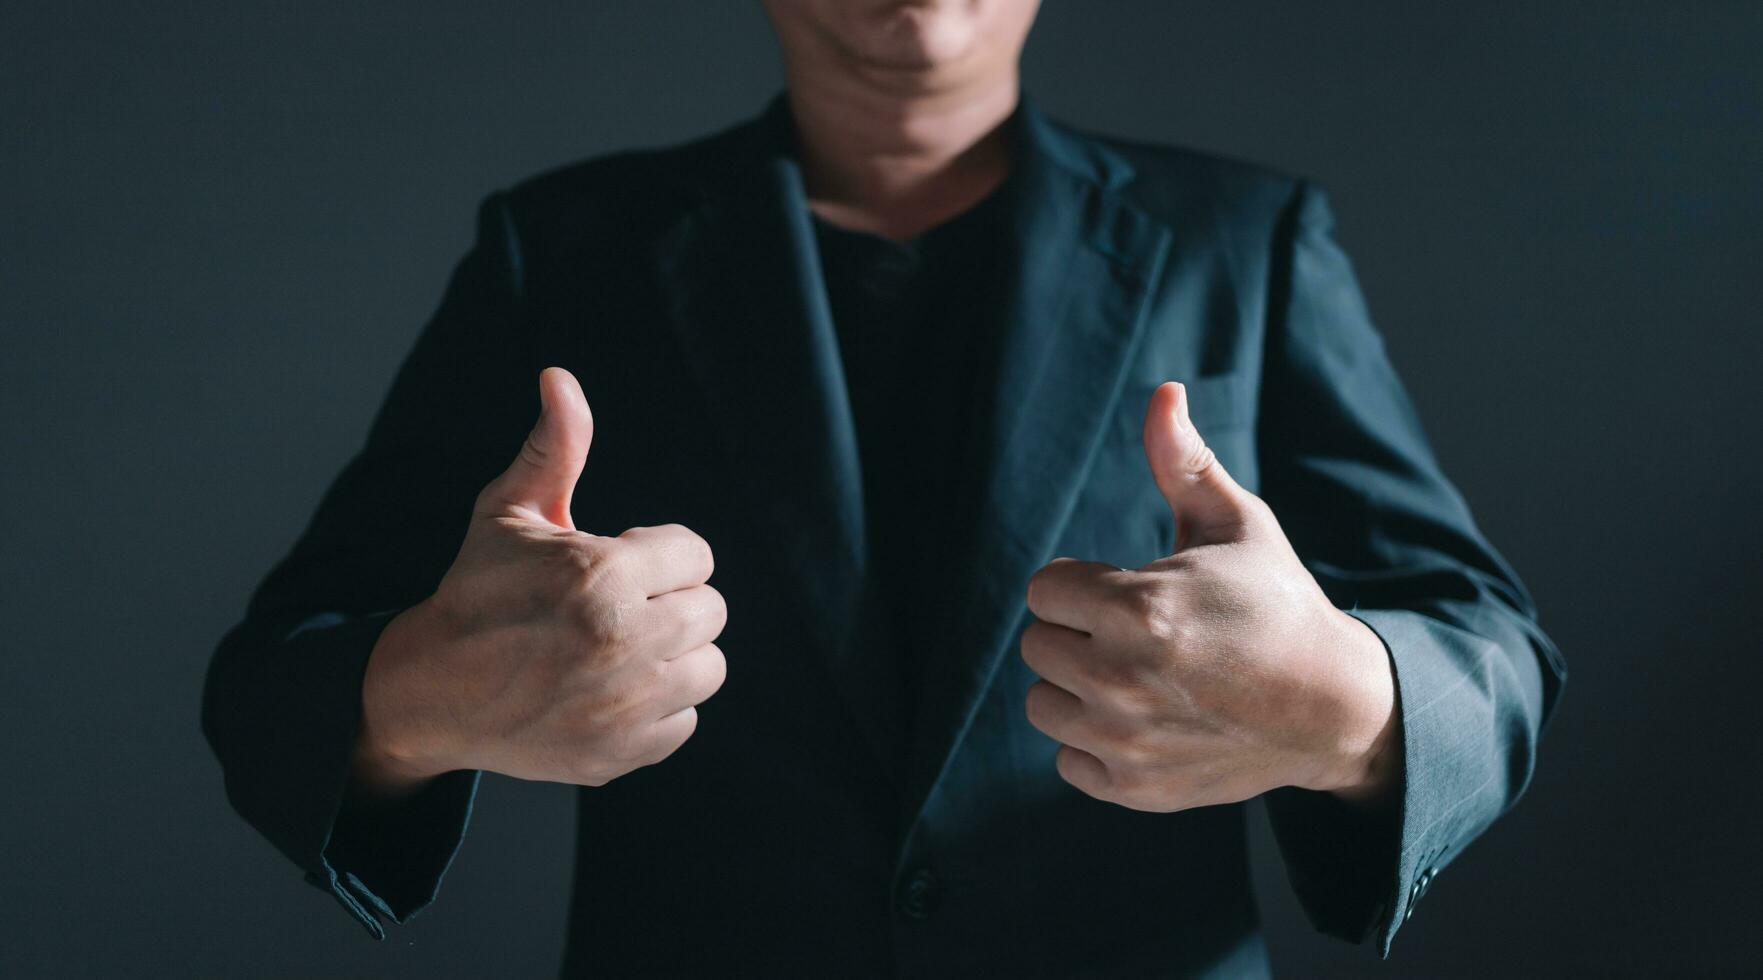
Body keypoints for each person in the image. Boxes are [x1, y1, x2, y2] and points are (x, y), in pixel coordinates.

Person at [201, 1, 1566, 976]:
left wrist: (1348, 706)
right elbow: (270, 687)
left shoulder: (1244, 242)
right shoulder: (561, 252)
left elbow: (1491, 653)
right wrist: (419, 698)